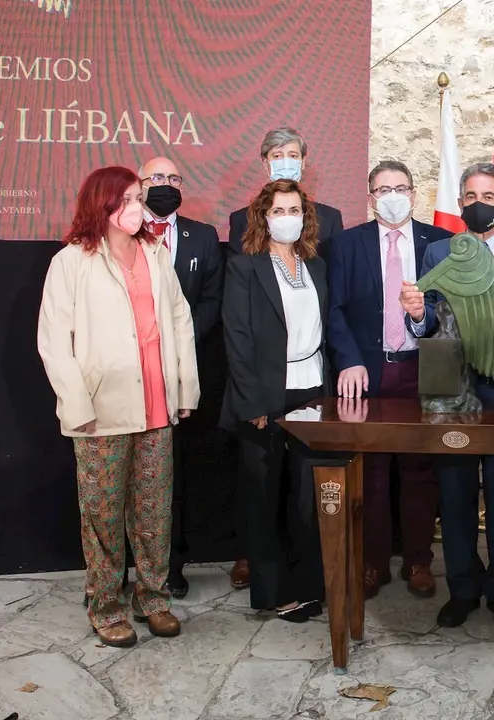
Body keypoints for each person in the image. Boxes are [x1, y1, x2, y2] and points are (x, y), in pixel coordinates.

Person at [37, 166, 199, 647]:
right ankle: (105, 606)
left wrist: (184, 390)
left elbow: (179, 318)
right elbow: (53, 341)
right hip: (100, 409)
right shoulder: (72, 261)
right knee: (103, 514)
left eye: (137, 198)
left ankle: (152, 599)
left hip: (156, 403)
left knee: (153, 511)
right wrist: (76, 401)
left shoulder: (154, 252)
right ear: (101, 205)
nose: (136, 207)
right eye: (126, 199)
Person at [398, 163, 494, 629]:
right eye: (468, 195)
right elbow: (428, 320)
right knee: (455, 492)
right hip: (453, 392)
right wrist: (415, 314)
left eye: (487, 194)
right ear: (460, 203)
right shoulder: (438, 253)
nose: (477, 202)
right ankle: (462, 590)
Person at [326, 160, 452, 599]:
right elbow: (335, 310)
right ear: (370, 197)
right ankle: (372, 562)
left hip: (422, 368)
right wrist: (348, 361)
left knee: (420, 470)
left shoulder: (440, 243)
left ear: (414, 194)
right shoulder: (346, 244)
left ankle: (419, 560)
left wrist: (423, 317)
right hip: (369, 371)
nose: (392, 196)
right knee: (372, 472)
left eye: (400, 188)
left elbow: (448, 310)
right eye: (383, 190)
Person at [223, 127, 341, 590]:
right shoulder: (245, 265)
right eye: (279, 211)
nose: (287, 217)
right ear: (264, 217)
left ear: (305, 217)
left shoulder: (316, 265)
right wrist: (252, 403)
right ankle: (270, 588)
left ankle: (309, 582)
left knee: (306, 495)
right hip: (264, 395)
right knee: (262, 493)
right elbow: (237, 337)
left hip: (312, 389)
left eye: (294, 210)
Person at [139, 156, 224, 598]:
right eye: (156, 177)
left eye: (174, 178)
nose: (166, 184)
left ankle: (172, 565)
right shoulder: (123, 233)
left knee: (176, 474)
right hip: (133, 372)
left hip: (186, 372)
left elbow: (211, 299)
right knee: (131, 475)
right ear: (138, 184)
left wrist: (178, 342)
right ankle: (118, 572)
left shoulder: (203, 237)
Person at [227, 126, 344, 259]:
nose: (286, 163)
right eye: (277, 156)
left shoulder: (330, 218)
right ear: (266, 164)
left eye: (293, 156)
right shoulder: (242, 219)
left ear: (302, 162)